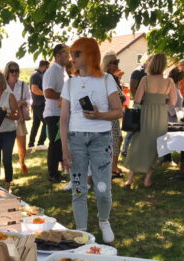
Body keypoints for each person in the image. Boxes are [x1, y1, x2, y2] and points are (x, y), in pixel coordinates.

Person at [60, 37, 123, 242]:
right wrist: (64, 150)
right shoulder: (70, 83)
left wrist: (99, 115)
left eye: (77, 53)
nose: (73, 58)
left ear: (90, 54)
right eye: (72, 54)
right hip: (76, 140)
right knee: (79, 188)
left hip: (101, 140)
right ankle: (83, 232)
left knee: (103, 189)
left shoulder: (106, 80)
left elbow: (118, 112)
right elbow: (63, 120)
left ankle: (104, 220)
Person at [124, 53, 178, 188]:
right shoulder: (169, 81)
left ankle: (130, 179)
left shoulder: (145, 79)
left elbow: (136, 99)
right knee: (156, 144)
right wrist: (161, 100)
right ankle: (148, 179)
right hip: (160, 115)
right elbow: (172, 102)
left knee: (139, 142)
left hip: (146, 113)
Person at [0, 71, 19, 189]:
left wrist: (4, 114)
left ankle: (7, 184)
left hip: (8, 132)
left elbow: (17, 115)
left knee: (7, 159)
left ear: (1, 82)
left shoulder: (9, 96)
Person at [43, 43, 70, 182]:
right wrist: (65, 96)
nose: (69, 57)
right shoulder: (53, 70)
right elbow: (48, 92)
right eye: (66, 54)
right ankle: (53, 174)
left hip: (61, 112)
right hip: (53, 113)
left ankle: (59, 171)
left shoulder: (62, 70)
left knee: (60, 144)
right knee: (55, 144)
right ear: (58, 55)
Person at [3, 61, 31, 173]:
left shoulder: (23, 84)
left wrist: (23, 102)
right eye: (12, 70)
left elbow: (30, 100)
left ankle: (21, 161)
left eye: (16, 70)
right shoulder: (3, 85)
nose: (14, 73)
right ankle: (7, 167)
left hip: (19, 118)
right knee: (7, 147)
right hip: (7, 118)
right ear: (7, 71)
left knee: (22, 146)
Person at [101, 52, 126, 179]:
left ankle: (113, 166)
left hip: (114, 114)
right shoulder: (106, 78)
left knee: (117, 139)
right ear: (108, 64)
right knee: (115, 140)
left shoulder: (112, 77)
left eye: (118, 62)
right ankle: (112, 169)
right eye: (115, 62)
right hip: (110, 114)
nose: (117, 64)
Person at [121, 56, 150, 157]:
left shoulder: (151, 73)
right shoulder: (138, 71)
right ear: (147, 61)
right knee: (133, 127)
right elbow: (133, 88)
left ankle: (138, 149)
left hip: (148, 104)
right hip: (139, 103)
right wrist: (138, 102)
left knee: (143, 128)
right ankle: (125, 149)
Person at [29, 60, 49, 148]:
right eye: (47, 67)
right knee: (46, 122)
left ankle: (31, 144)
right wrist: (46, 93)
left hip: (37, 103)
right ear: (44, 66)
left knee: (36, 124)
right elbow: (34, 89)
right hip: (39, 104)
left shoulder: (39, 74)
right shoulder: (36, 75)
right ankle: (40, 143)